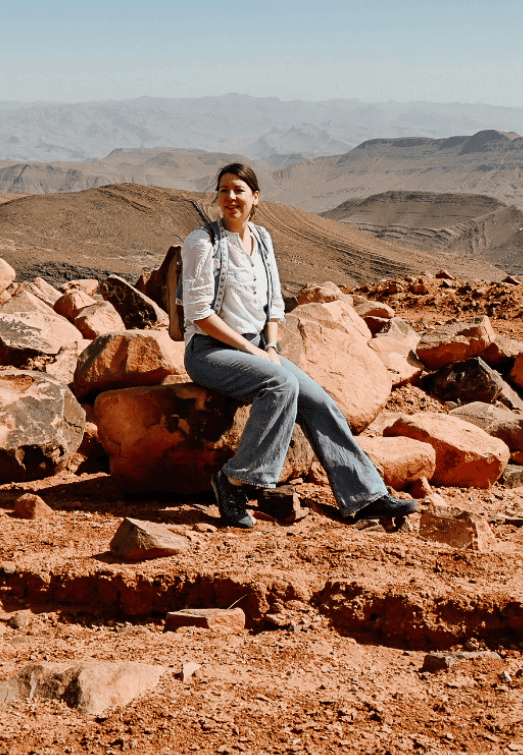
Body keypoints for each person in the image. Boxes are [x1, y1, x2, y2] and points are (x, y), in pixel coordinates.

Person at [181, 162, 423, 529]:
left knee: (319, 400)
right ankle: (234, 482)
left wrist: (273, 347)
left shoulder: (261, 239)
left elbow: (274, 304)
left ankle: (365, 496)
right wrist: (254, 353)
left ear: (255, 198)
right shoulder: (202, 243)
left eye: (239, 190)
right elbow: (200, 314)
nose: (231, 197)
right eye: (224, 190)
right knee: (280, 384)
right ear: (217, 196)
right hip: (210, 351)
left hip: (258, 346)